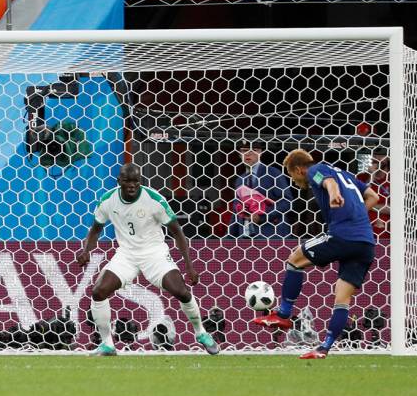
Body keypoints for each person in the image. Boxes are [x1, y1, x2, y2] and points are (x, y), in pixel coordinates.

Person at [76, 163, 220, 356]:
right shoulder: (108, 200)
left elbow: (177, 232)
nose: (132, 185)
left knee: (181, 292)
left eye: (136, 181)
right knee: (99, 291)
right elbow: (96, 229)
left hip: (154, 253)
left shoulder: (154, 199)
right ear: (119, 181)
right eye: (127, 181)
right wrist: (86, 251)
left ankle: (201, 332)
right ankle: (107, 344)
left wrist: (189, 267)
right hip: (126, 255)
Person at [253, 149, 380, 359]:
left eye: (291, 175)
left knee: (294, 260)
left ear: (298, 169)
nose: (294, 180)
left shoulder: (314, 170)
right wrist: (356, 216)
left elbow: (328, 182)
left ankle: (284, 314)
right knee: (342, 299)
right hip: (365, 242)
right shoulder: (346, 174)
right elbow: (373, 196)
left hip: (342, 236)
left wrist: (334, 194)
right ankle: (324, 348)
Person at [228, 140, 292, 239]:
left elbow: (287, 201)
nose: (248, 153)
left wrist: (263, 216)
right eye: (244, 150)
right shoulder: (240, 180)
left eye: (254, 150)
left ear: (260, 153)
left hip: (271, 234)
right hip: (245, 237)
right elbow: (236, 209)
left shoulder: (273, 173)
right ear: (239, 154)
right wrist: (229, 236)